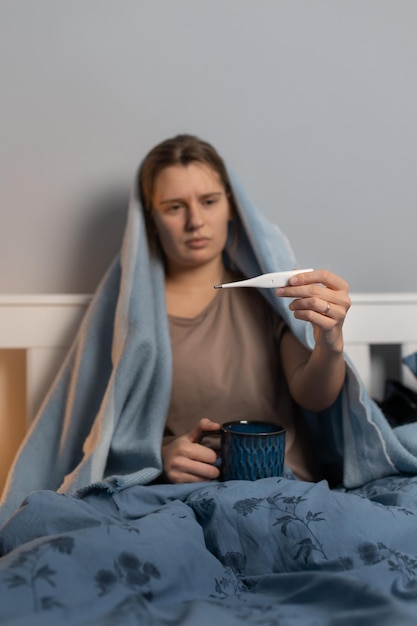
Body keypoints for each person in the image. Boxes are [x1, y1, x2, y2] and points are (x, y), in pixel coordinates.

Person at [138, 134, 351, 485]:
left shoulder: (268, 299)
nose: (195, 221)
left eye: (208, 201)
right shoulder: (131, 320)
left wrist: (331, 343)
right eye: (175, 207)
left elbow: (314, 397)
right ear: (151, 218)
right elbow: (110, 436)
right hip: (178, 498)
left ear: (231, 206)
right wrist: (160, 458)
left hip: (285, 489)